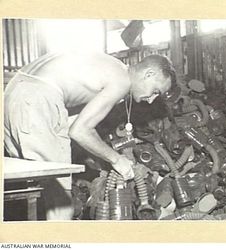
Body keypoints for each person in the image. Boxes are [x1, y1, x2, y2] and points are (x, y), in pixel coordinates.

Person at [4, 52, 175, 220]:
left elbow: (71, 120)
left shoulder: (112, 66)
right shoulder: (121, 80)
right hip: (36, 99)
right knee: (60, 205)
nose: (151, 100)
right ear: (149, 74)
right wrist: (116, 159)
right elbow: (79, 131)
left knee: (30, 190)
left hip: (11, 92)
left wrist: (98, 156)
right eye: (156, 91)